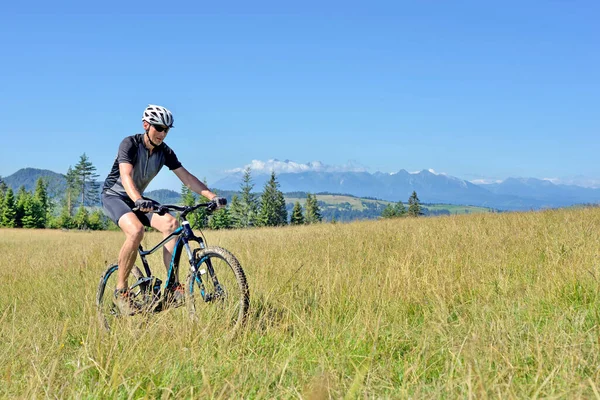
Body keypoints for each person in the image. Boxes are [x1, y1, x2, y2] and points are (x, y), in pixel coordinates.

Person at [101, 104, 225, 314]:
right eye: (159, 128)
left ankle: (173, 286)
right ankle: (121, 290)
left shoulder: (164, 152)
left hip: (138, 199)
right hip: (115, 196)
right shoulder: (130, 144)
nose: (162, 133)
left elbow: (186, 178)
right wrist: (139, 200)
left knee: (172, 223)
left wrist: (212, 196)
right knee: (136, 231)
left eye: (167, 130)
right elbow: (126, 176)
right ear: (146, 125)